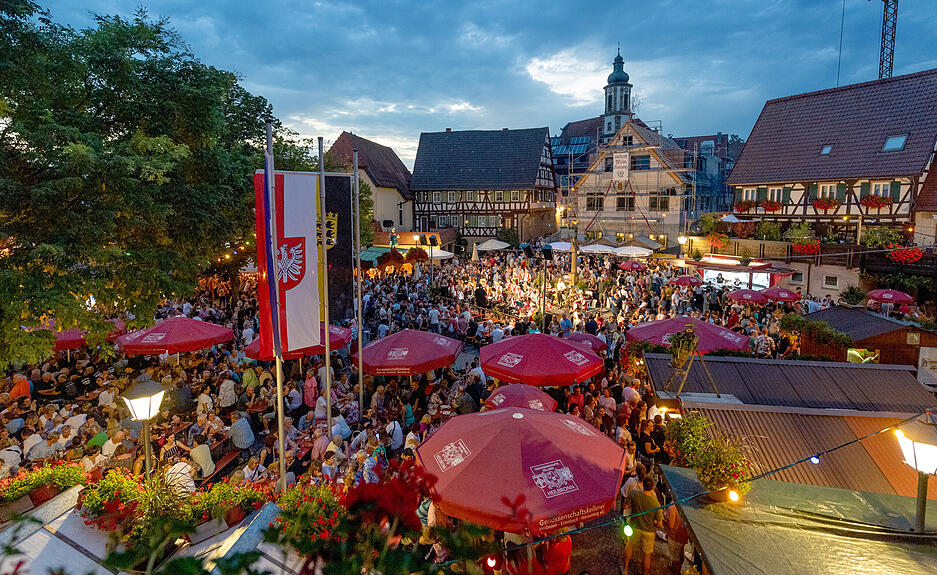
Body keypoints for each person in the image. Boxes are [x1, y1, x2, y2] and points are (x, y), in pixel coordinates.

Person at [623, 476, 663, 575]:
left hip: (634, 527)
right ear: (652, 487)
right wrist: (654, 522)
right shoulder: (656, 503)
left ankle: (625, 569)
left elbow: (625, 506)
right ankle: (645, 573)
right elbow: (660, 524)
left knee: (629, 546)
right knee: (647, 554)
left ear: (643, 485)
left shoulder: (633, 494)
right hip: (648, 531)